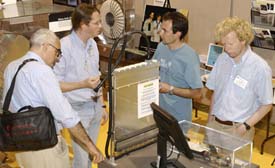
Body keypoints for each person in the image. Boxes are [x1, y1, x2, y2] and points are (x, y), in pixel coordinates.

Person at [2, 28, 104, 168]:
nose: (57, 59)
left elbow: (7, 105)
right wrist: (90, 146)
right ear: (45, 46)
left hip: (21, 145)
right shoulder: (42, 71)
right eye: (57, 52)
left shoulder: (11, 67)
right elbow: (66, 115)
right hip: (44, 147)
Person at [53, 3, 108, 168]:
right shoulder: (64, 47)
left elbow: (97, 76)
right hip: (76, 110)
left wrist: (102, 104)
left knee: (94, 155)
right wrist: (82, 84)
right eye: (96, 23)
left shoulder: (92, 44)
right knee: (82, 160)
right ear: (83, 25)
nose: (100, 26)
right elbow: (55, 85)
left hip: (95, 106)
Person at [206, 17, 273, 140]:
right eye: (224, 44)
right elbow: (216, 93)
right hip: (215, 125)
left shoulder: (260, 67)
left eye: (230, 44)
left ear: (243, 40)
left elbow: (267, 104)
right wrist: (210, 121)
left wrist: (244, 127)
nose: (226, 48)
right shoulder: (222, 59)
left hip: (238, 130)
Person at [152, 11, 203, 122]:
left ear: (178, 34)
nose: (160, 33)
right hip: (158, 113)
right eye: (161, 29)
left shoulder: (189, 56)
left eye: (165, 30)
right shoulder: (161, 47)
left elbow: (197, 93)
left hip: (178, 119)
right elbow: (151, 71)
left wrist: (170, 89)